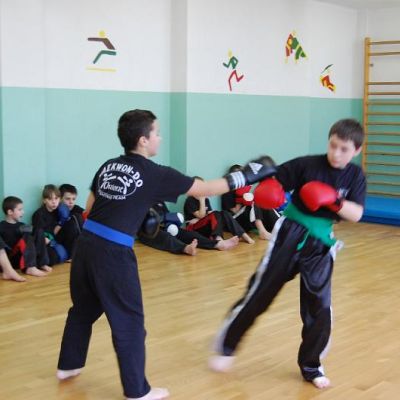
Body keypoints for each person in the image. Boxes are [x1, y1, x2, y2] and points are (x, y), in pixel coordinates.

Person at [56, 109, 277, 400]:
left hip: (86, 245)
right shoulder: (155, 173)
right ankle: (137, 391)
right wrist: (246, 175)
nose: (160, 137)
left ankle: (68, 365)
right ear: (143, 140)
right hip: (113, 253)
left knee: (83, 309)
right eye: (157, 133)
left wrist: (128, 214)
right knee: (129, 321)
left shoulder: (108, 165)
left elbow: (90, 206)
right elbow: (205, 188)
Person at [209, 119, 366, 390]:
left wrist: (334, 200)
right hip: (290, 233)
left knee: (319, 307)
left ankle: (312, 366)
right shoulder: (308, 165)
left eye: (344, 149)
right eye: (333, 145)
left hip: (321, 242)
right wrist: (266, 186)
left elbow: (357, 214)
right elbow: (273, 181)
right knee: (261, 291)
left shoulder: (355, 176)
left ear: (357, 150)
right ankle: (226, 346)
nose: (336, 153)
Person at [138, 202, 239, 255]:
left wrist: (171, 221)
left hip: (164, 226)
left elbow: (167, 215)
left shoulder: (158, 201)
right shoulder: (138, 200)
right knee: (166, 237)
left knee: (189, 234)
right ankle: (185, 248)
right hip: (147, 231)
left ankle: (218, 244)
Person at [184, 178, 255, 244]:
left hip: (204, 226)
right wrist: (202, 200)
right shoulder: (190, 200)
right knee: (216, 214)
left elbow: (210, 214)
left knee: (224, 213)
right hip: (194, 229)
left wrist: (215, 215)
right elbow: (202, 216)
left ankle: (243, 235)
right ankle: (218, 239)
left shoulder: (206, 200)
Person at [222, 164, 280, 240]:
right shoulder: (228, 191)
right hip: (236, 220)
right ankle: (262, 232)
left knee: (262, 203)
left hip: (249, 218)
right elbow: (235, 211)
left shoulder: (246, 187)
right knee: (254, 202)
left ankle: (280, 228)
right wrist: (241, 199)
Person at [0, 196, 51, 277]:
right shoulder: (2, 226)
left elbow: (35, 234)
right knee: (27, 234)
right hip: (10, 259)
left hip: (22, 257)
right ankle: (30, 267)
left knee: (38, 230)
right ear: (10, 212)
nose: (23, 212)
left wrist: (42, 238)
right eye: (19, 210)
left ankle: (41, 263)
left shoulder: (22, 225)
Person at [32, 185, 79, 264]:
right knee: (53, 258)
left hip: (57, 238)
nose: (54, 202)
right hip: (47, 241)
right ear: (44, 200)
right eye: (50, 199)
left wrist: (60, 224)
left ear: (60, 199)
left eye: (56, 198)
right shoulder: (39, 214)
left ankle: (71, 255)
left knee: (72, 224)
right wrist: (49, 239)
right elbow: (39, 234)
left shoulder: (59, 210)